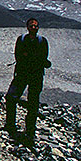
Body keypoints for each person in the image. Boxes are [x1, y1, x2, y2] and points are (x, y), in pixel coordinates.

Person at [4, 18, 50, 147]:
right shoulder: (22, 40)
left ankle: (30, 130)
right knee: (11, 98)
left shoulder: (42, 41)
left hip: (34, 76)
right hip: (23, 74)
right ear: (28, 27)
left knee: (33, 104)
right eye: (32, 26)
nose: (34, 28)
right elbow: (18, 56)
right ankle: (10, 125)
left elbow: (43, 57)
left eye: (35, 26)